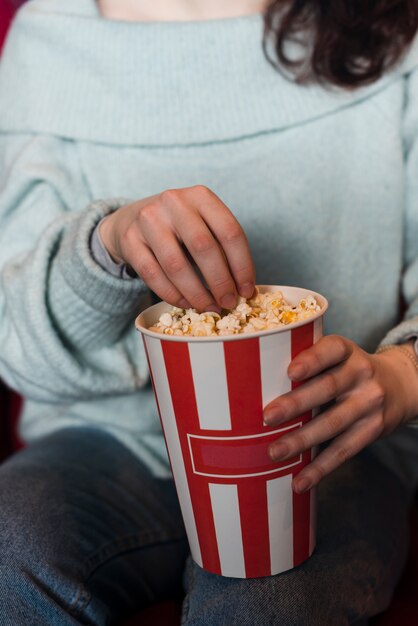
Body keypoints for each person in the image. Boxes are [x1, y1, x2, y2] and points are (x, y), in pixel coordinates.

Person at [0, 0, 418, 623]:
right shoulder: (48, 43)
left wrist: (402, 376)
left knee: (271, 607)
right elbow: (19, 349)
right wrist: (106, 246)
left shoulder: (393, 32)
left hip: (328, 451)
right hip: (110, 449)